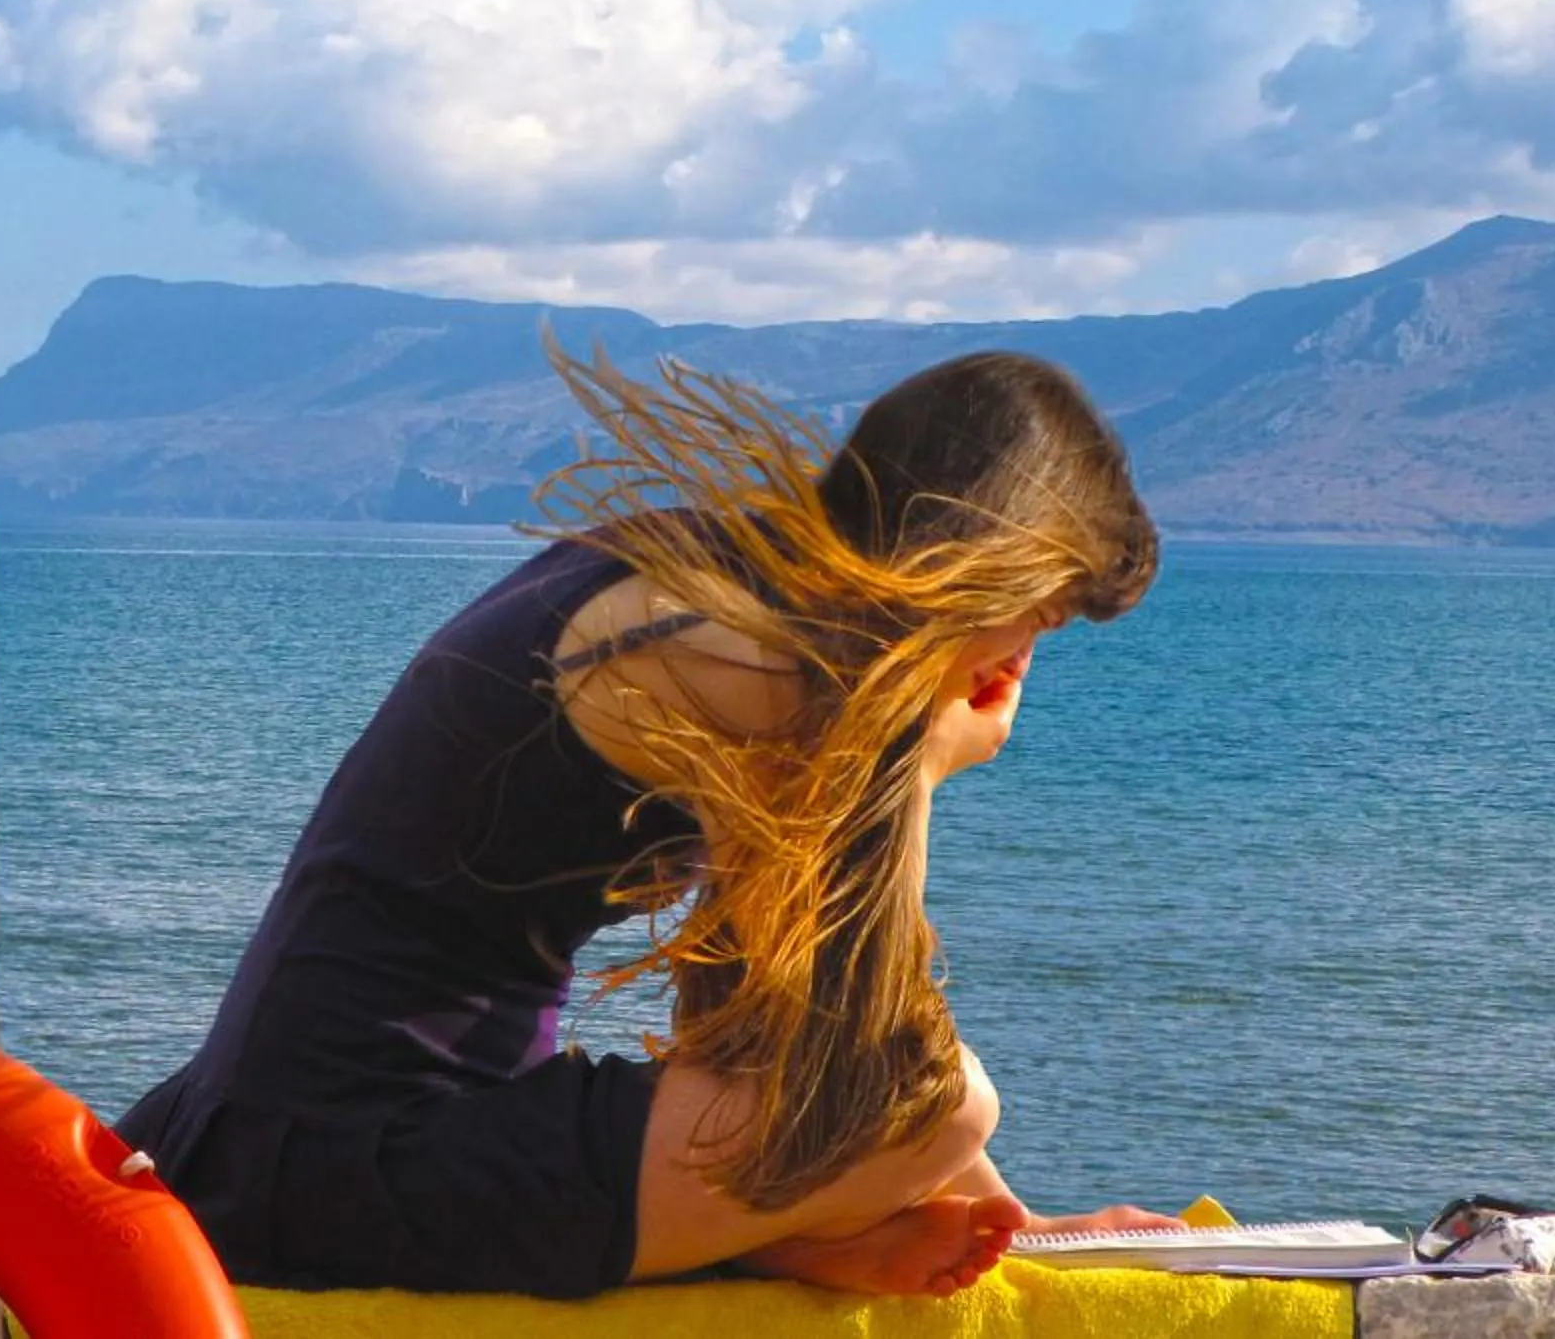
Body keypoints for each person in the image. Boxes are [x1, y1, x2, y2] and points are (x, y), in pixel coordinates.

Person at [116, 345, 1183, 1300]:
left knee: (921, 1111)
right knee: (945, 1103)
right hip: (356, 1158)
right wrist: (921, 760)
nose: (1017, 665)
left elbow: (788, 993)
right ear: (978, 563)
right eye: (1035, 618)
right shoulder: (752, 660)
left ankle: (778, 1239)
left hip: (299, 1125)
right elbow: (867, 1047)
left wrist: (1026, 1228)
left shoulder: (710, 581)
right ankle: (766, 1246)